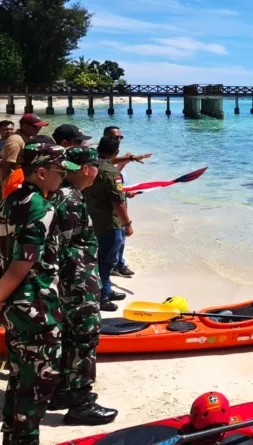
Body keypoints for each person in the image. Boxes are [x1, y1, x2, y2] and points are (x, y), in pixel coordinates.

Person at [0, 142, 72, 445]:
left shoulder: (10, 200)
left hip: (15, 303)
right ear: (41, 172)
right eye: (60, 172)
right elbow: (22, 263)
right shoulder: (40, 207)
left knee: (20, 376)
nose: (63, 177)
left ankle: (12, 437)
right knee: (39, 382)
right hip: (34, 305)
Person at [47, 145, 118, 425]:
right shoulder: (71, 200)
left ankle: (62, 391)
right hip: (76, 282)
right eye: (95, 167)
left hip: (72, 280)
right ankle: (81, 403)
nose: (97, 171)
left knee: (69, 338)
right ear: (86, 169)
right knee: (84, 339)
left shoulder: (64, 194)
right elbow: (62, 247)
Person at [83, 137, 132, 310]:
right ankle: (102, 297)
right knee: (106, 261)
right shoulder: (110, 172)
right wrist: (128, 223)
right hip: (110, 223)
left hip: (93, 218)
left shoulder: (90, 166)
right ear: (116, 152)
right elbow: (118, 202)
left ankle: (106, 289)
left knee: (100, 259)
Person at [103, 126, 150, 279]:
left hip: (121, 198)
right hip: (112, 204)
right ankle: (111, 267)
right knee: (117, 236)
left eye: (120, 137)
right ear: (105, 138)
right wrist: (127, 160)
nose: (118, 140)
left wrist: (127, 191)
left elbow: (118, 180)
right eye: (114, 137)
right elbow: (110, 173)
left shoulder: (117, 155)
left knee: (121, 236)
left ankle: (118, 263)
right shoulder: (105, 156)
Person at [0, 114, 49, 199]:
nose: (39, 129)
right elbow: (6, 165)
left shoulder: (26, 139)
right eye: (36, 127)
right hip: (14, 184)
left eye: (40, 127)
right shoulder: (16, 140)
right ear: (24, 126)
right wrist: (5, 187)